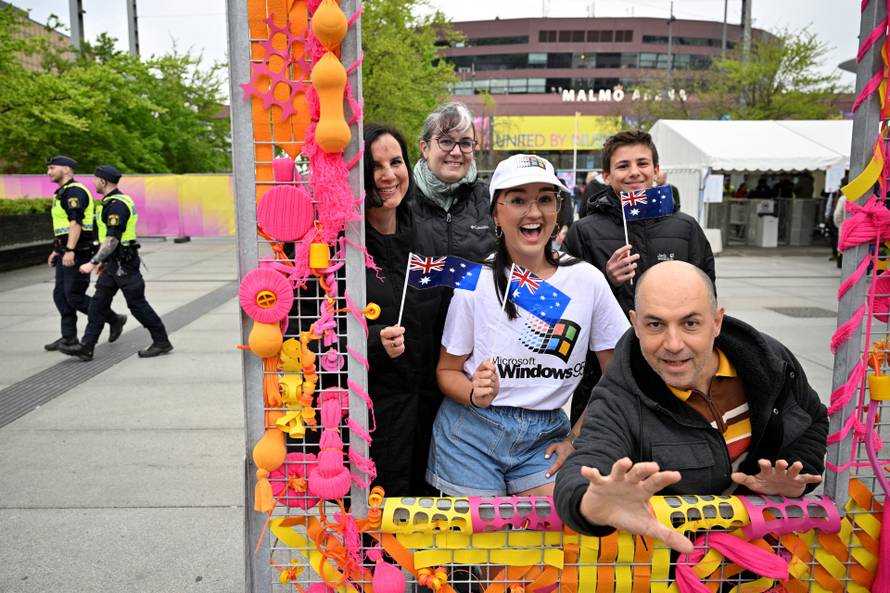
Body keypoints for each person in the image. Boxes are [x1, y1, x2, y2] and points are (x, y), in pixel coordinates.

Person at [554, 261, 828, 552]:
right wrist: (589, 505)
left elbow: (813, 419)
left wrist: (795, 480)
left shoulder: (771, 363)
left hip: (767, 558)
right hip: (671, 565)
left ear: (717, 322)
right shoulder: (618, 396)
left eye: (690, 323)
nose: (673, 344)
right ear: (635, 324)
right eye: (655, 324)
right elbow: (586, 464)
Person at [427, 154, 629, 497]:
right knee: (480, 547)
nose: (533, 212)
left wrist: (576, 439)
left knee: (548, 541)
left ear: (557, 210)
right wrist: (475, 394)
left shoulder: (587, 281)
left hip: (546, 437)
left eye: (545, 200)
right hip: (470, 436)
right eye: (518, 199)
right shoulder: (476, 283)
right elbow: (447, 371)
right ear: (496, 213)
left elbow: (618, 375)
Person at [562, 130, 715, 425]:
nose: (634, 173)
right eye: (623, 166)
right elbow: (568, 306)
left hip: (673, 368)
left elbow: (707, 298)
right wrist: (607, 280)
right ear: (606, 175)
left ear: (657, 171)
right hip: (603, 373)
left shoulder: (686, 228)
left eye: (642, 163)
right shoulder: (585, 231)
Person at [363, 124, 445, 496]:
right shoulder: (338, 250)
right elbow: (314, 340)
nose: (388, 175)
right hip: (372, 422)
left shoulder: (428, 237)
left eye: (396, 162)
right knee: (377, 533)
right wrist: (374, 345)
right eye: (375, 165)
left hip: (431, 417)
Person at [59, 166, 172, 361]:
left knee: (137, 305)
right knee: (97, 304)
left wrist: (93, 262)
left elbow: (112, 239)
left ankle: (161, 342)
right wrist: (105, 262)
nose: (93, 183)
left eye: (96, 179)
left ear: (104, 181)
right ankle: (87, 347)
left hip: (124, 265)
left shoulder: (116, 205)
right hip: (113, 264)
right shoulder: (110, 202)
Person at [44, 155, 126, 352]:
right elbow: (63, 227)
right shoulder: (62, 192)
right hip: (67, 249)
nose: (48, 172)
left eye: (52, 168)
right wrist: (58, 250)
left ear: (66, 169)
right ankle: (68, 337)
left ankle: (113, 318)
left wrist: (70, 250)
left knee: (74, 295)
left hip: (79, 250)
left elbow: (76, 223)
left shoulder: (75, 192)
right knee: (61, 296)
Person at [411, 102, 495, 263]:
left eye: (465, 143)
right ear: (425, 148)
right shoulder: (400, 200)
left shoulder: (493, 201)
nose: (456, 152)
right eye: (446, 141)